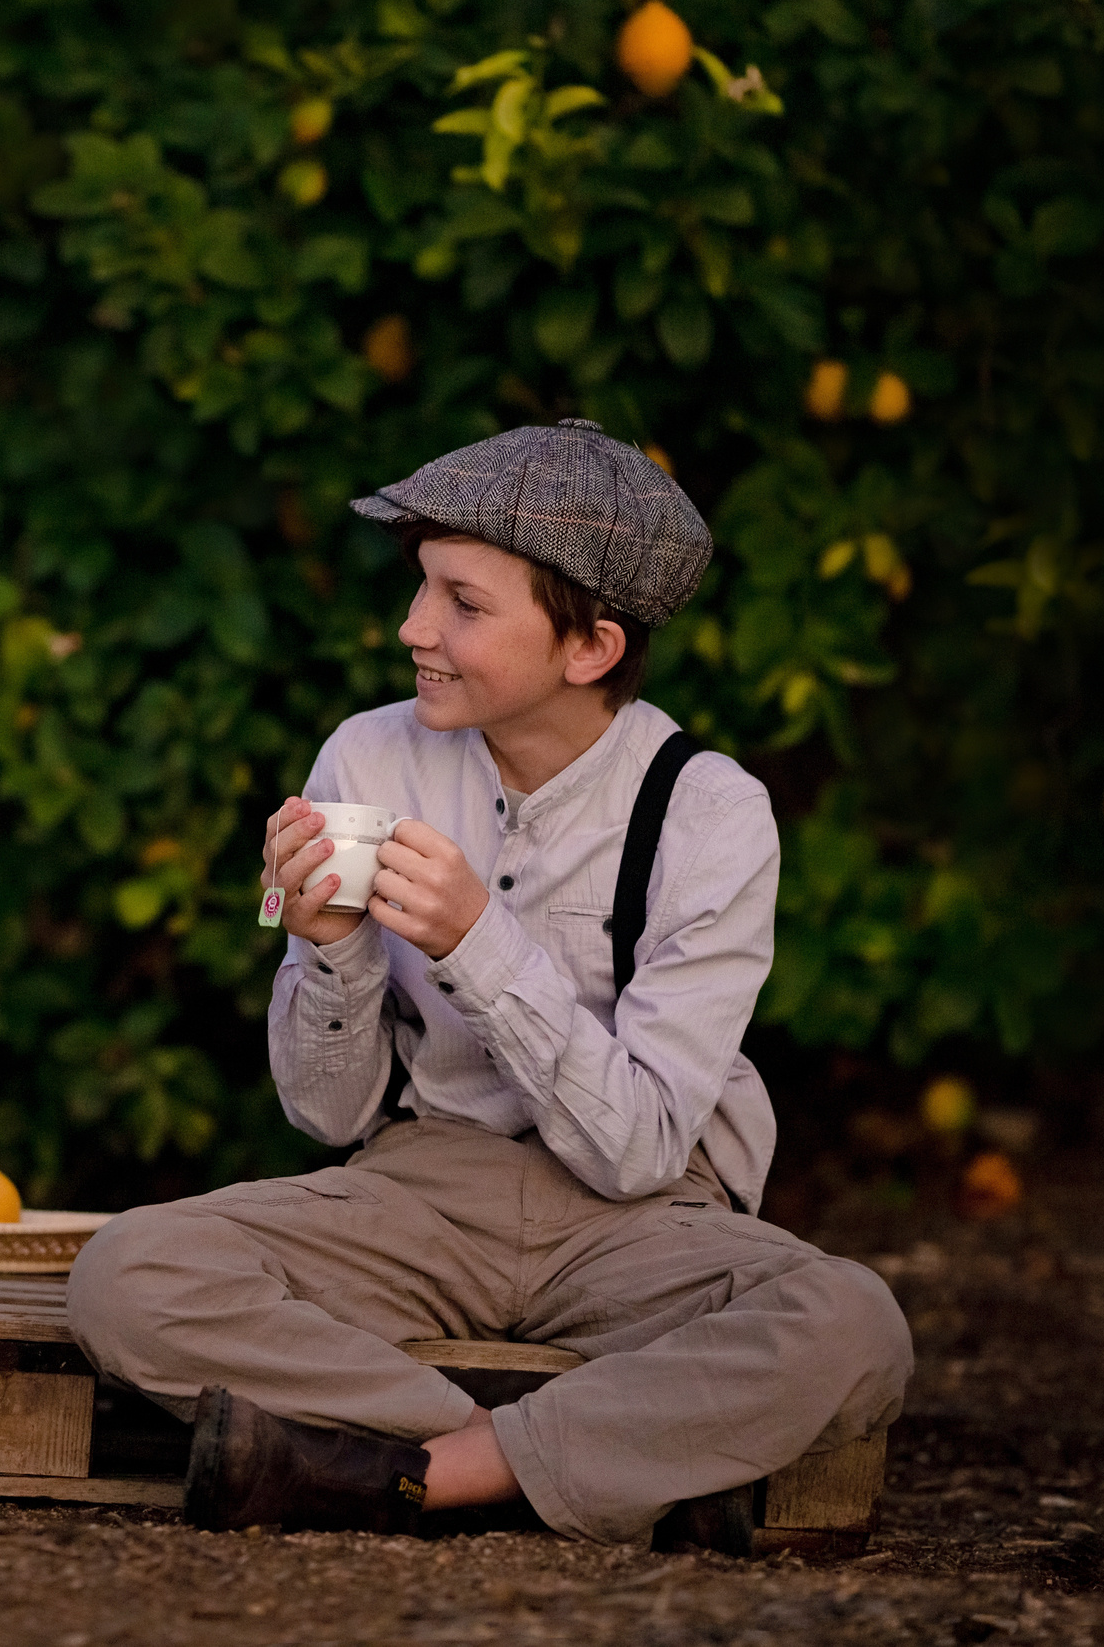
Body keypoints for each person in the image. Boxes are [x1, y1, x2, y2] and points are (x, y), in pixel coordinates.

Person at [66, 418, 913, 1544]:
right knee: (128, 1274)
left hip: (641, 1221)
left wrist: (477, 940)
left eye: (462, 604)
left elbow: (641, 1148)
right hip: (423, 1191)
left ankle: (397, 1475)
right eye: (421, 589)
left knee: (851, 1322)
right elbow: (325, 1116)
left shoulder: (710, 812)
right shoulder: (369, 759)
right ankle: (576, 1461)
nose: (412, 629)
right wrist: (324, 945)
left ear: (590, 648)